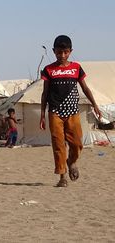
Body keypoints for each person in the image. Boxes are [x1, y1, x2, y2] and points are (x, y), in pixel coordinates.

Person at [40, 35, 101, 187]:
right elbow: (45, 93)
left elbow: (85, 88)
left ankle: (71, 162)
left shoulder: (76, 68)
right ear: (54, 51)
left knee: (77, 144)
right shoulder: (49, 70)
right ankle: (62, 177)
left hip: (73, 112)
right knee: (58, 145)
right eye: (59, 52)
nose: (62, 55)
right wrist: (42, 114)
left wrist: (95, 104)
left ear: (70, 51)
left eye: (65, 52)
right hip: (55, 113)